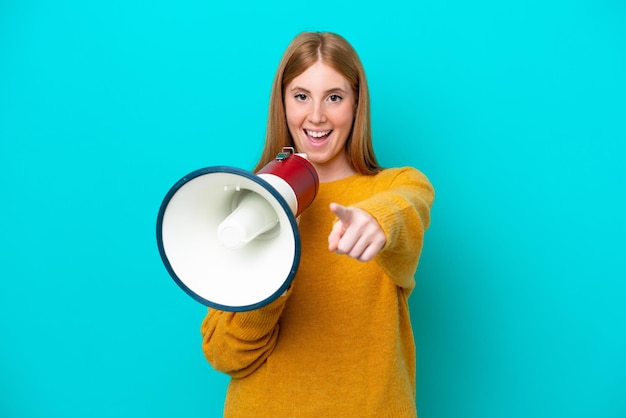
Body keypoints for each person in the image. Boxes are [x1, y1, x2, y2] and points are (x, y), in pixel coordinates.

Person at [201, 31, 434, 417]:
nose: (316, 116)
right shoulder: (244, 204)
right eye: (301, 96)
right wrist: (270, 279)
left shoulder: (397, 186)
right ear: (283, 104)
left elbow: (409, 205)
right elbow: (225, 355)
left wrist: (377, 218)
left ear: (357, 103)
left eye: (335, 97)